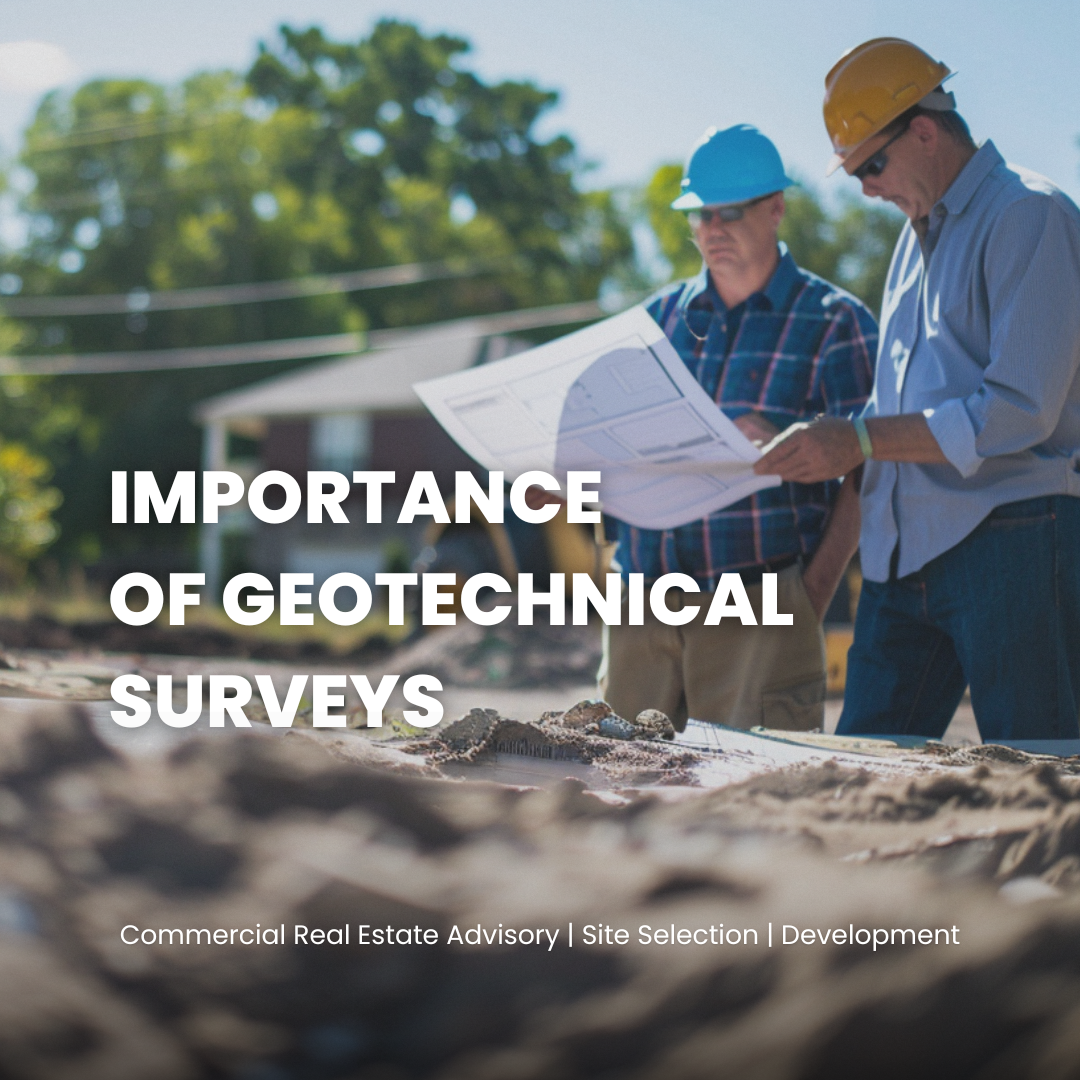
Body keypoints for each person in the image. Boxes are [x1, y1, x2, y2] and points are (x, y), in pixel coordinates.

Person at [755, 38, 1080, 742]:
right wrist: (824, 562)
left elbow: (1019, 411)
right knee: (860, 774)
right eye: (855, 175)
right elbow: (888, 417)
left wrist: (861, 439)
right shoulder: (912, 240)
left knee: (1039, 773)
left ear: (925, 131)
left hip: (1016, 540)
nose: (868, 187)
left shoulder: (1029, 215)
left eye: (871, 164)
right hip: (903, 560)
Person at [596, 124, 877, 731]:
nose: (712, 229)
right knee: (619, 799)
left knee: (751, 807)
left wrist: (809, 595)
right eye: (699, 215)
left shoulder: (835, 323)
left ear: (775, 209)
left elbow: (871, 472)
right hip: (641, 608)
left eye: (729, 212)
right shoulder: (657, 321)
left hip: (758, 606)